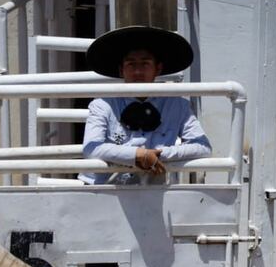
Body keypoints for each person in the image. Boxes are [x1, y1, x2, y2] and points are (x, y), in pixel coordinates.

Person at [79, 26, 210, 185]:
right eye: (131, 64)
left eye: (145, 63)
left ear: (158, 68)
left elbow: (203, 147)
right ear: (121, 70)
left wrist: (159, 154)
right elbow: (91, 148)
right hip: (103, 189)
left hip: (151, 190)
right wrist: (138, 155)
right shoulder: (102, 104)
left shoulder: (177, 105)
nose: (138, 71)